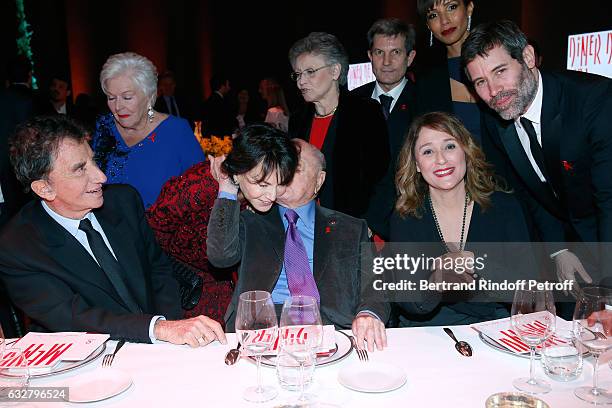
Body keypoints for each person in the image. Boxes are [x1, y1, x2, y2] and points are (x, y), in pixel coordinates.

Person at [0, 115, 226, 346]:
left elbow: (159, 270)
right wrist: (157, 328)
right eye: (80, 169)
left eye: (93, 161)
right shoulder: (18, 247)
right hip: (90, 360)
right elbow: (74, 318)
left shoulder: (122, 201)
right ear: (45, 189)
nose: (101, 176)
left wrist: (170, 330)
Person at [462, 20, 612, 290]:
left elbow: (609, 198)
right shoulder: (496, 116)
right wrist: (559, 249)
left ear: (528, 57)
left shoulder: (594, 101)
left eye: (500, 71)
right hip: (569, 248)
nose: (494, 91)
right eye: (481, 82)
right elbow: (528, 189)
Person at [208, 138, 389, 351]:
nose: (284, 176)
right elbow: (220, 257)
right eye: (282, 168)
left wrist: (368, 313)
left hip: (333, 331)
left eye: (295, 168)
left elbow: (376, 282)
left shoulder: (350, 228)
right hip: (260, 331)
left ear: (319, 180)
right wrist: (228, 187)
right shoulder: (251, 220)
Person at [390, 112, 531, 326]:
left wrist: (478, 263)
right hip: (430, 329)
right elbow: (408, 302)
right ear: (417, 164)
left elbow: (526, 288)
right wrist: (436, 280)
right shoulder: (407, 216)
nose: (441, 159)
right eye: (428, 151)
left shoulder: (503, 206)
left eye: (449, 146)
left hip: (495, 324)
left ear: (465, 150)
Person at [146, 125, 293, 324]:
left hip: (228, 279)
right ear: (239, 171)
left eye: (281, 183)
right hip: (184, 283)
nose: (273, 196)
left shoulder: (255, 195)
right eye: (263, 185)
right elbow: (150, 230)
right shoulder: (200, 187)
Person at [288, 32, 390, 222]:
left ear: (335, 71)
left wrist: (370, 224)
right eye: (298, 74)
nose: (301, 81)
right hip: (307, 224)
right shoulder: (298, 120)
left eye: (310, 72)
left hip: (355, 225)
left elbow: (384, 177)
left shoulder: (364, 113)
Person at [92, 52, 204, 209]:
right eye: (111, 98)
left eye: (127, 97)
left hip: (160, 232)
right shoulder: (104, 127)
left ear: (149, 96)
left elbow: (202, 192)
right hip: (109, 230)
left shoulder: (176, 131)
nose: (118, 107)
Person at [352, 18, 418, 239]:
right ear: (370, 56)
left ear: (410, 57)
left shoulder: (426, 103)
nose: (387, 62)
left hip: (409, 222)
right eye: (379, 53)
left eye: (396, 52)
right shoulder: (351, 102)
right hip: (355, 225)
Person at [415, 0, 482, 142]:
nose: (444, 21)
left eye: (451, 7)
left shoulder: (497, 57)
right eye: (433, 15)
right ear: (428, 25)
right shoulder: (428, 78)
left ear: (469, 8)